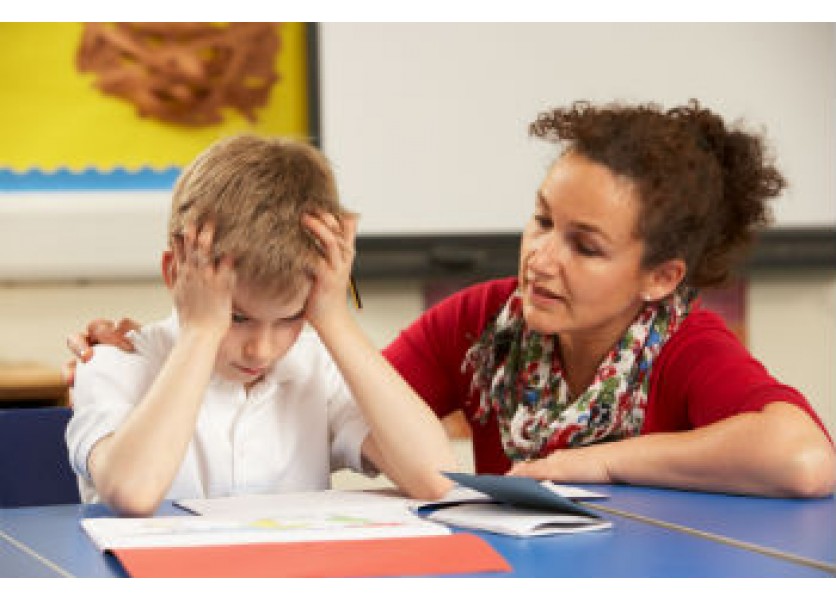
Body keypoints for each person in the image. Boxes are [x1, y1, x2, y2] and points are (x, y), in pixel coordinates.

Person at [67, 100, 835, 499]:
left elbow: (802, 456)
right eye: (541, 221)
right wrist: (192, 334)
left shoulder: (684, 344)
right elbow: (363, 402)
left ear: (660, 277)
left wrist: (593, 464)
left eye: (586, 245)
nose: (541, 258)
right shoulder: (482, 322)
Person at [65, 134, 455, 517]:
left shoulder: (317, 370)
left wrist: (334, 318)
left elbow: (437, 480)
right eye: (236, 317)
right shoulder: (113, 364)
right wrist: (202, 332)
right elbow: (133, 492)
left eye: (290, 318)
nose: (260, 350)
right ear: (175, 273)